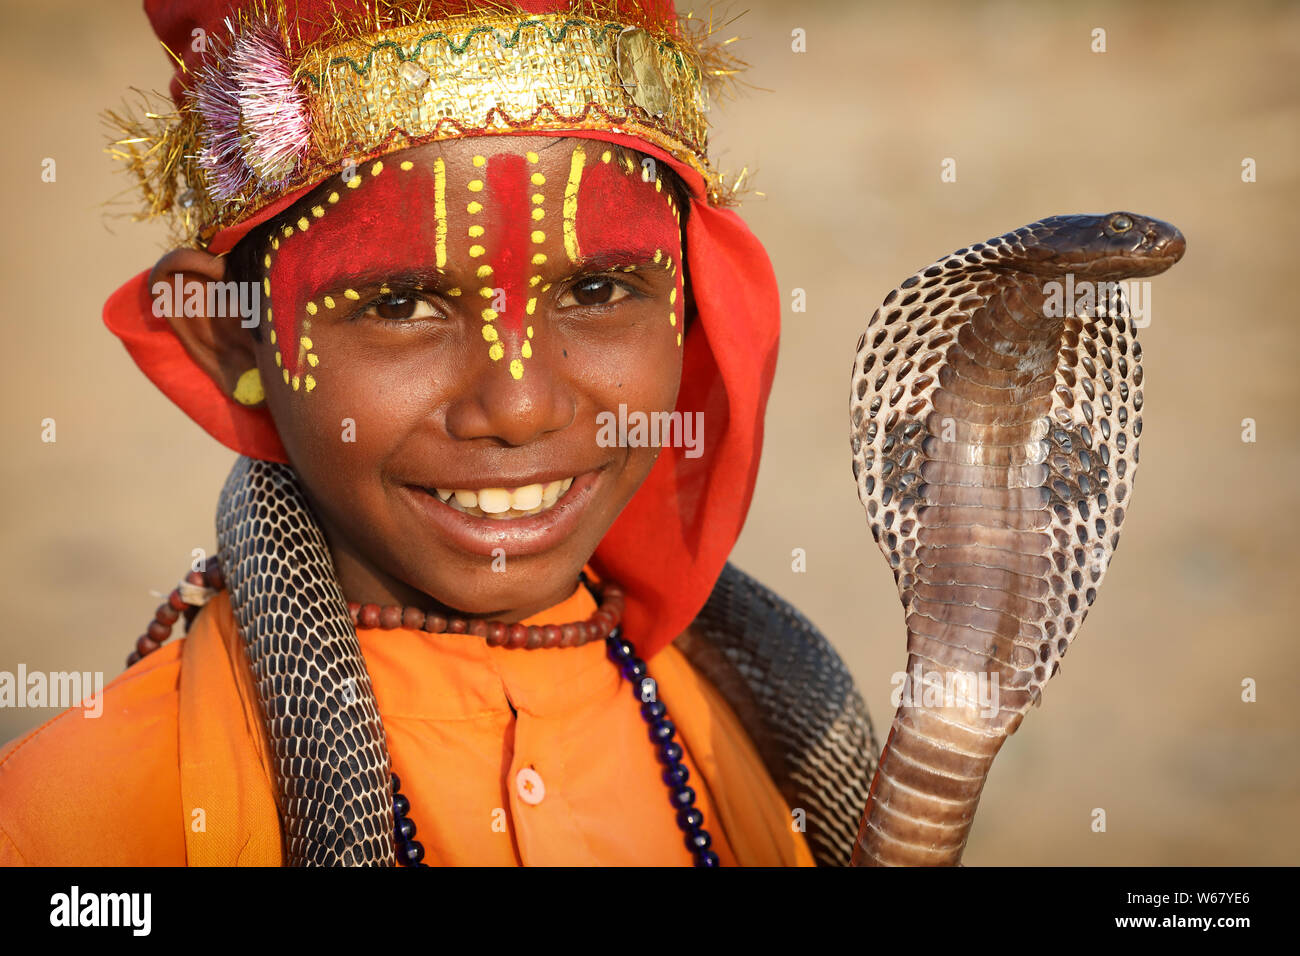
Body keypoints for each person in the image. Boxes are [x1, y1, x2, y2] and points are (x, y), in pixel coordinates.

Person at [0, 0, 875, 866]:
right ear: (233, 337)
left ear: (690, 305)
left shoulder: (757, 748)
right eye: (400, 304)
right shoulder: (72, 826)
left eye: (600, 292)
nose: (521, 407)